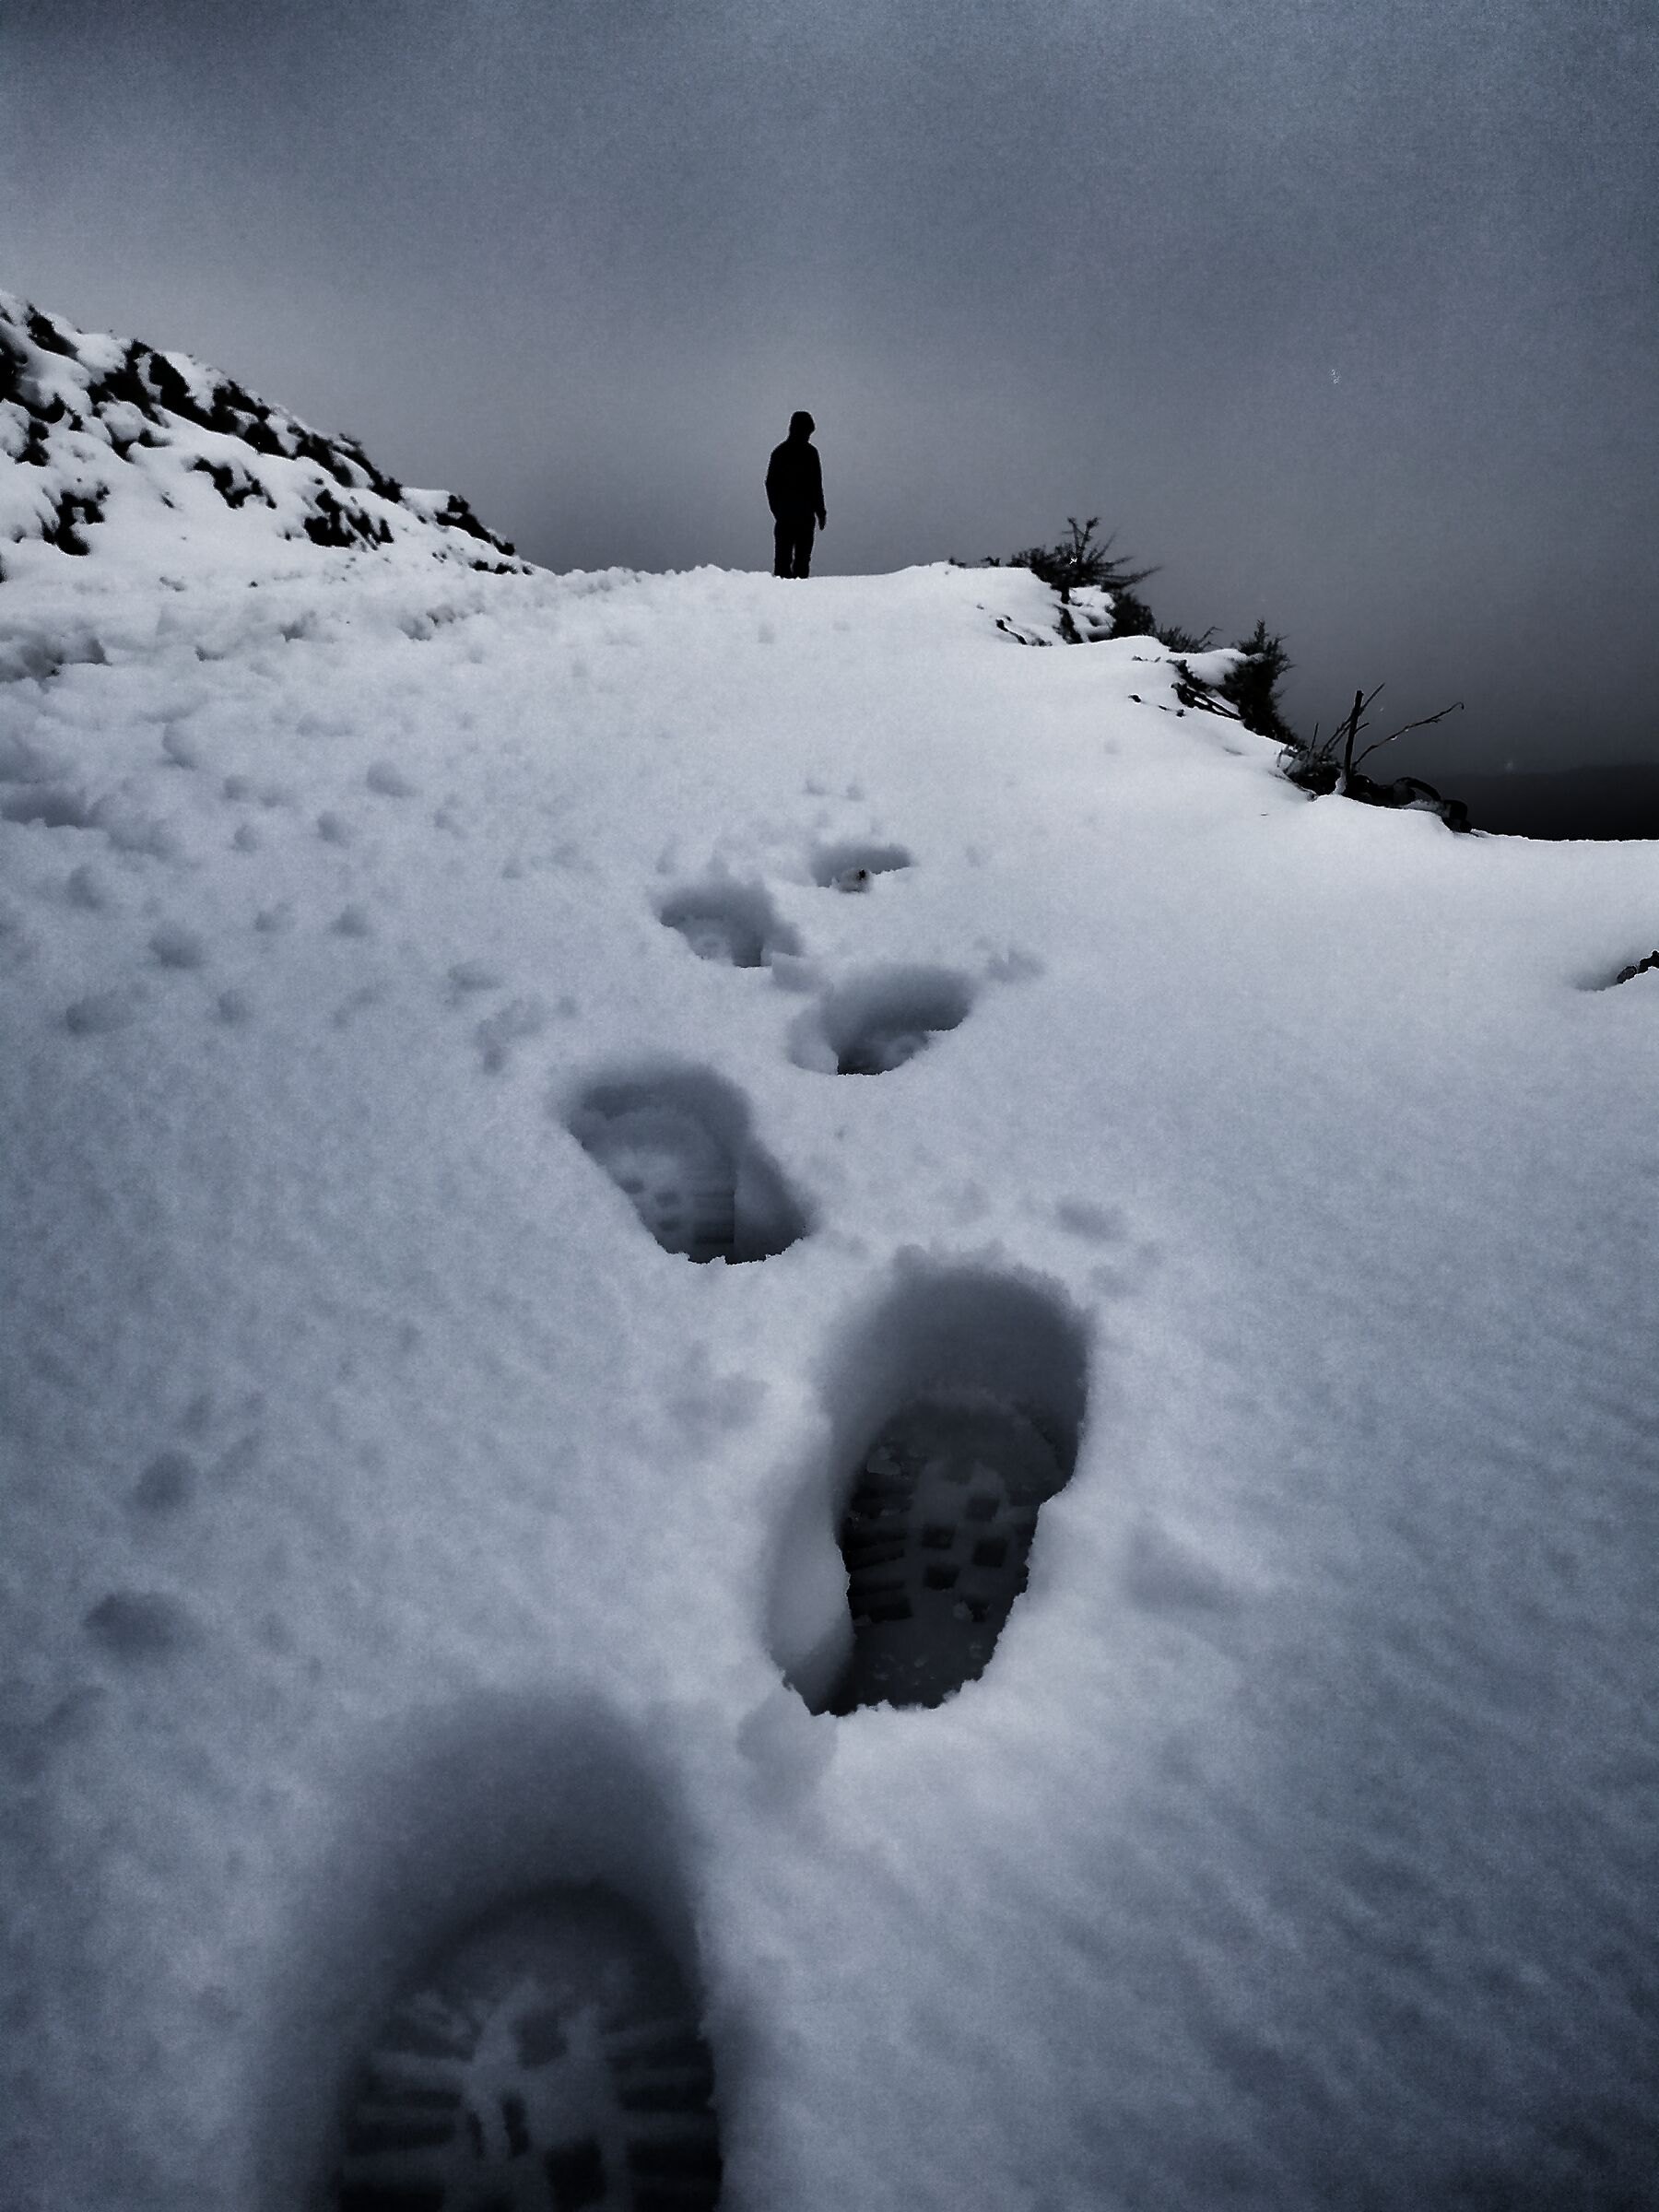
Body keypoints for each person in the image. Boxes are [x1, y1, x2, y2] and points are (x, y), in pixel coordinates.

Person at [766, 410, 826, 578]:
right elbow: (771, 484)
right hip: (792, 517)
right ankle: (787, 599)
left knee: (793, 563)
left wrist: (820, 511)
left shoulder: (784, 452)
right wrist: (778, 511)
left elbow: (816, 485)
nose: (808, 436)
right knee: (790, 563)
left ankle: (793, 600)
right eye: (807, 431)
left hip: (797, 517)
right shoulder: (786, 453)